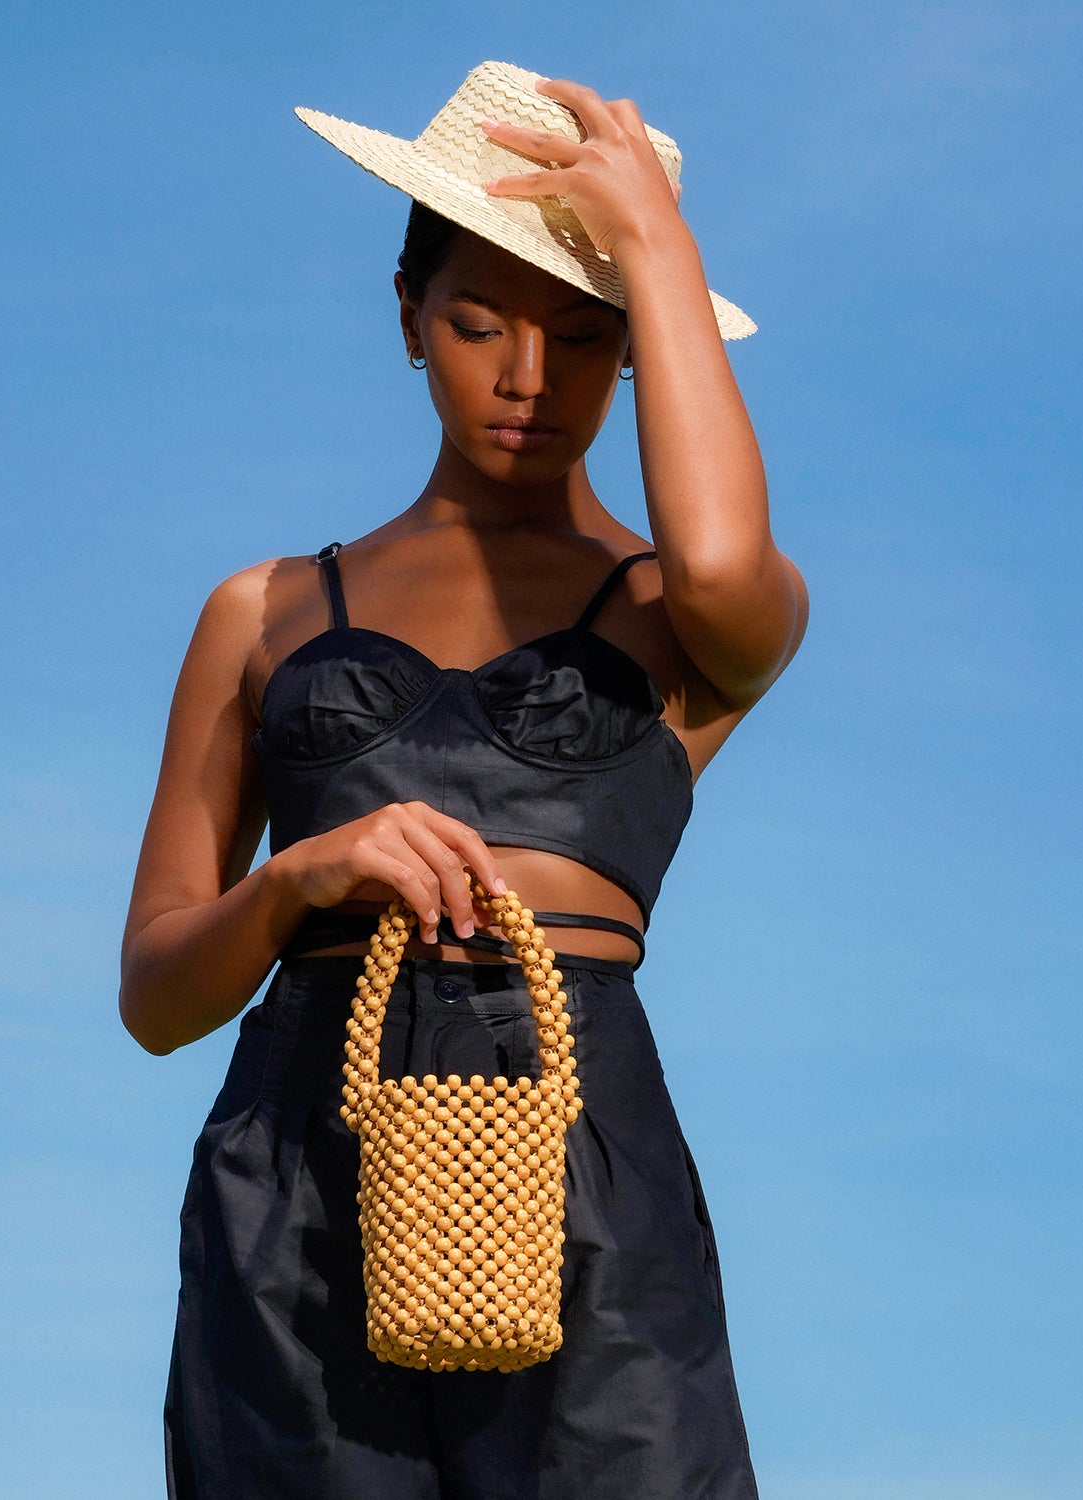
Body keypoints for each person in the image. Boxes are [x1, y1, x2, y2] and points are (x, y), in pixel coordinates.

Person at [121, 60, 808, 1499]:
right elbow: (155, 996)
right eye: (478, 323)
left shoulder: (684, 617)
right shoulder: (261, 611)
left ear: (637, 349)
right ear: (408, 320)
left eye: (583, 334)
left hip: (586, 1179)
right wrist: (300, 875)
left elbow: (730, 560)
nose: (526, 378)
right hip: (299, 1175)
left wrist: (660, 255)